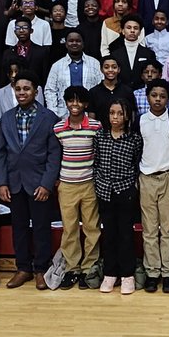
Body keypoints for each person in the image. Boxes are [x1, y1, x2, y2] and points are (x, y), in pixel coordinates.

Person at [0, 72, 63, 291]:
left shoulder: (49, 117)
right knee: (19, 228)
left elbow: (54, 154)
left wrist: (46, 183)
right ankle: (23, 268)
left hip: (39, 184)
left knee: (42, 228)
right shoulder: (6, 117)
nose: (22, 92)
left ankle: (41, 270)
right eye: (18, 89)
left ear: (36, 91)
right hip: (15, 182)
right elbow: (1, 154)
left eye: (26, 88)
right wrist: (1, 182)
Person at [52, 86, 103, 290]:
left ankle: (89, 268)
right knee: (70, 228)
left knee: (92, 228)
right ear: (65, 103)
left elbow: (99, 155)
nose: (75, 105)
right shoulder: (58, 129)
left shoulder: (95, 126)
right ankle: (72, 268)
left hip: (89, 183)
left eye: (79, 101)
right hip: (67, 185)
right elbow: (55, 157)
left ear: (86, 104)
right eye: (71, 101)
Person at [93, 99, 143, 295]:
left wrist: (131, 186)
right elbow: (96, 162)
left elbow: (136, 164)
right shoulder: (100, 137)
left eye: (120, 113)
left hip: (125, 191)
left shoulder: (134, 139)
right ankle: (110, 273)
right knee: (109, 234)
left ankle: (127, 275)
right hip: (105, 191)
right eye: (112, 113)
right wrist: (99, 182)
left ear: (127, 116)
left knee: (125, 234)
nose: (115, 117)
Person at [138, 79, 169, 293]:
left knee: (168, 229)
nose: (158, 99)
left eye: (162, 96)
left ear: (168, 99)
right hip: (146, 178)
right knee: (150, 229)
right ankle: (153, 272)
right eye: (154, 95)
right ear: (148, 97)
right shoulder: (139, 121)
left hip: (168, 177)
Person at [44, 30, 103, 118]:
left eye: (78, 41)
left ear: (83, 43)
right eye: (71, 41)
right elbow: (50, 91)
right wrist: (54, 114)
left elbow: (101, 88)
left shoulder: (95, 63)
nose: (74, 43)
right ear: (66, 44)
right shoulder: (57, 66)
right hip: (63, 115)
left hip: (89, 115)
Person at [108, 14, 157, 88]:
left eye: (136, 28)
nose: (132, 31)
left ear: (140, 32)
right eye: (128, 28)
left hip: (142, 91)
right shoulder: (115, 54)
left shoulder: (149, 53)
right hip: (121, 92)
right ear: (123, 31)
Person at [87, 57, 134, 127]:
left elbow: (131, 114)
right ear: (101, 69)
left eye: (114, 67)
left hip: (123, 133)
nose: (110, 70)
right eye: (106, 67)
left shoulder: (127, 91)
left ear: (119, 69)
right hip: (101, 134)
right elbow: (91, 117)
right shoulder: (94, 92)